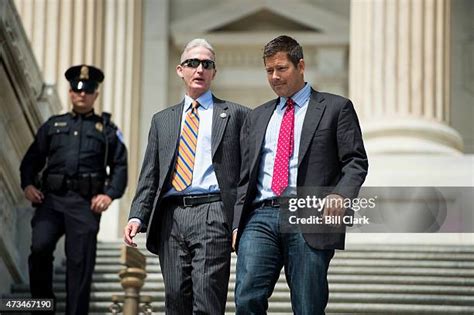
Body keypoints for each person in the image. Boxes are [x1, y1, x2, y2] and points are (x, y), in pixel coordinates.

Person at [233, 35, 369, 314]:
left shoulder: (335, 108)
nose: (274, 76)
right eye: (269, 70)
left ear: (301, 65)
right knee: (247, 297)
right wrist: (236, 223)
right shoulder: (257, 116)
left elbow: (355, 161)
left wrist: (341, 195)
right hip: (260, 215)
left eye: (281, 68)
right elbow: (244, 176)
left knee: (308, 305)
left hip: (309, 211)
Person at [124, 38, 249, 315]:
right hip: (170, 217)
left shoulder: (236, 115)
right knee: (175, 298)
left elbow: (247, 174)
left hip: (213, 211)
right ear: (180, 70)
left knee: (207, 298)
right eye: (193, 63)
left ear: (214, 72)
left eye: (207, 64)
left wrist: (241, 219)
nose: (200, 69)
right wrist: (137, 216)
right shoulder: (163, 120)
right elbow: (150, 174)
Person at [20, 64, 128, 315]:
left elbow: (120, 166)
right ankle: (41, 308)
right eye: (77, 90)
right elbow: (31, 159)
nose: (82, 94)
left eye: (88, 91)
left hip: (85, 204)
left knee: (80, 266)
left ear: (95, 95)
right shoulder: (53, 125)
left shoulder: (107, 131)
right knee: (40, 248)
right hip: (51, 201)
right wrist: (27, 185)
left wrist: (109, 194)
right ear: (70, 92)